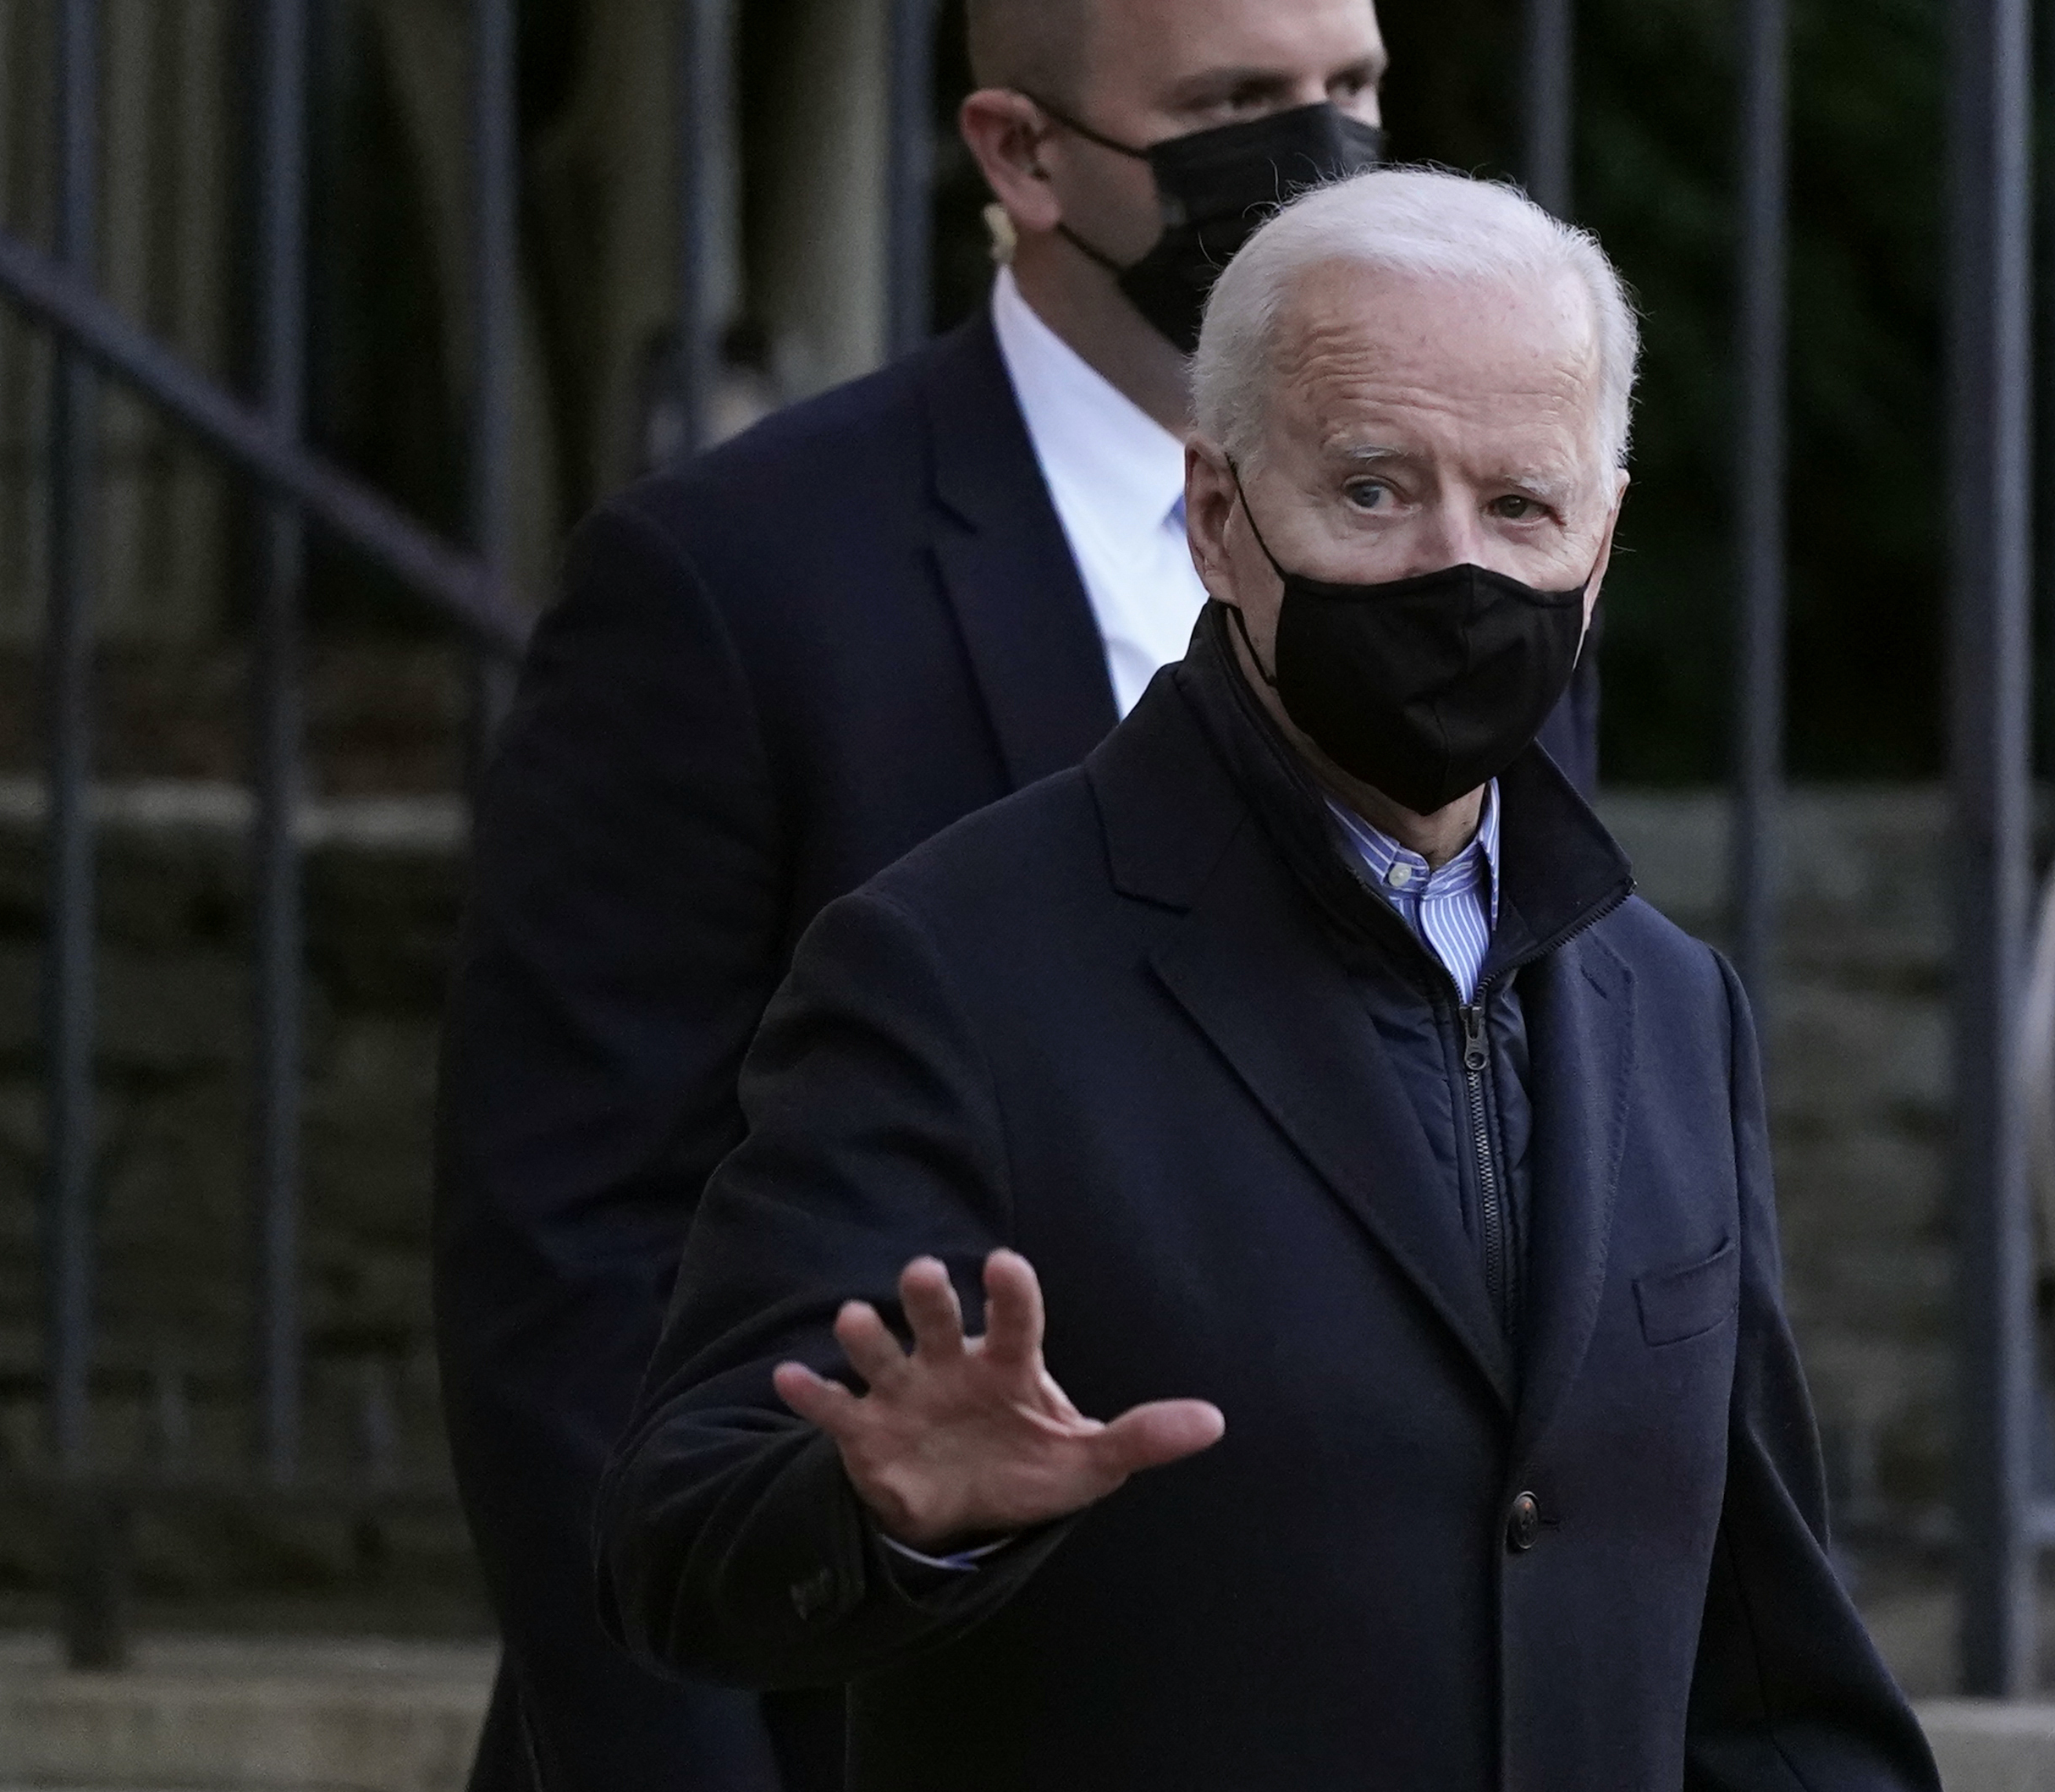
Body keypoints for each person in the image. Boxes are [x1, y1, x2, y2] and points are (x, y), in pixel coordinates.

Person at [594, 169, 1942, 1792]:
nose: (1458, 566)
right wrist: (886, 1513)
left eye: (1522, 506)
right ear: (1220, 518)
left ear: (1603, 536)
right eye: (1373, 490)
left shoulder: (1667, 1004)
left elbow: (1763, 1656)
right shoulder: (952, 966)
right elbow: (679, 1540)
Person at [432, 3, 1607, 1790]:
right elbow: (566, 1280)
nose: (1318, 149)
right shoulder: (730, 589)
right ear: (1018, 155)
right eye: (1232, 105)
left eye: (1351, 88)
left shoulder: (1480, 579)